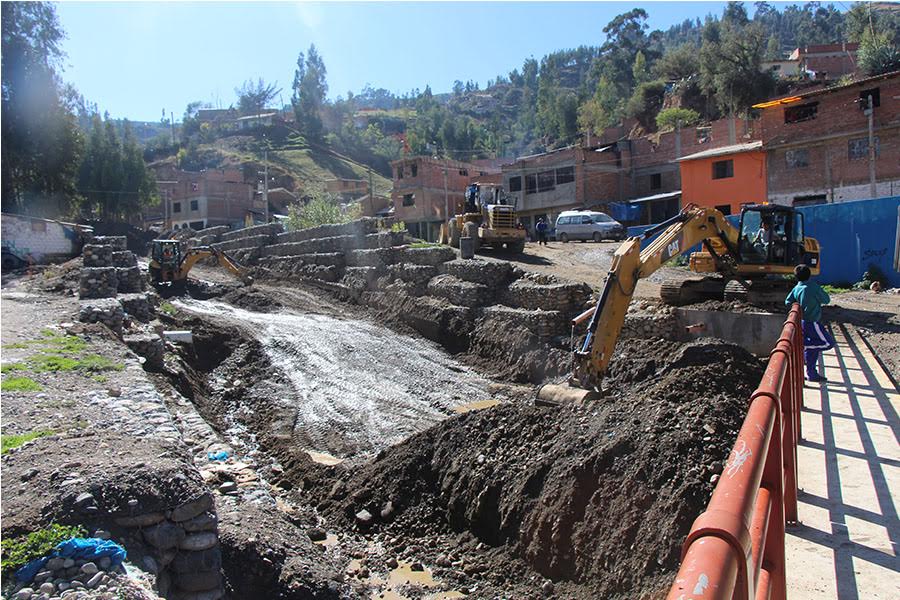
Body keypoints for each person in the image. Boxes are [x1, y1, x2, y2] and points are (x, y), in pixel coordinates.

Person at [785, 264, 834, 382]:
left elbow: (788, 302)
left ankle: (812, 374)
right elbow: (826, 300)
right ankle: (802, 345)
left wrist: (799, 304)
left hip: (802, 321)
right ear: (809, 275)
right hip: (813, 321)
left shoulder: (796, 288)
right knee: (827, 343)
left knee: (813, 348)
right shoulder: (813, 287)